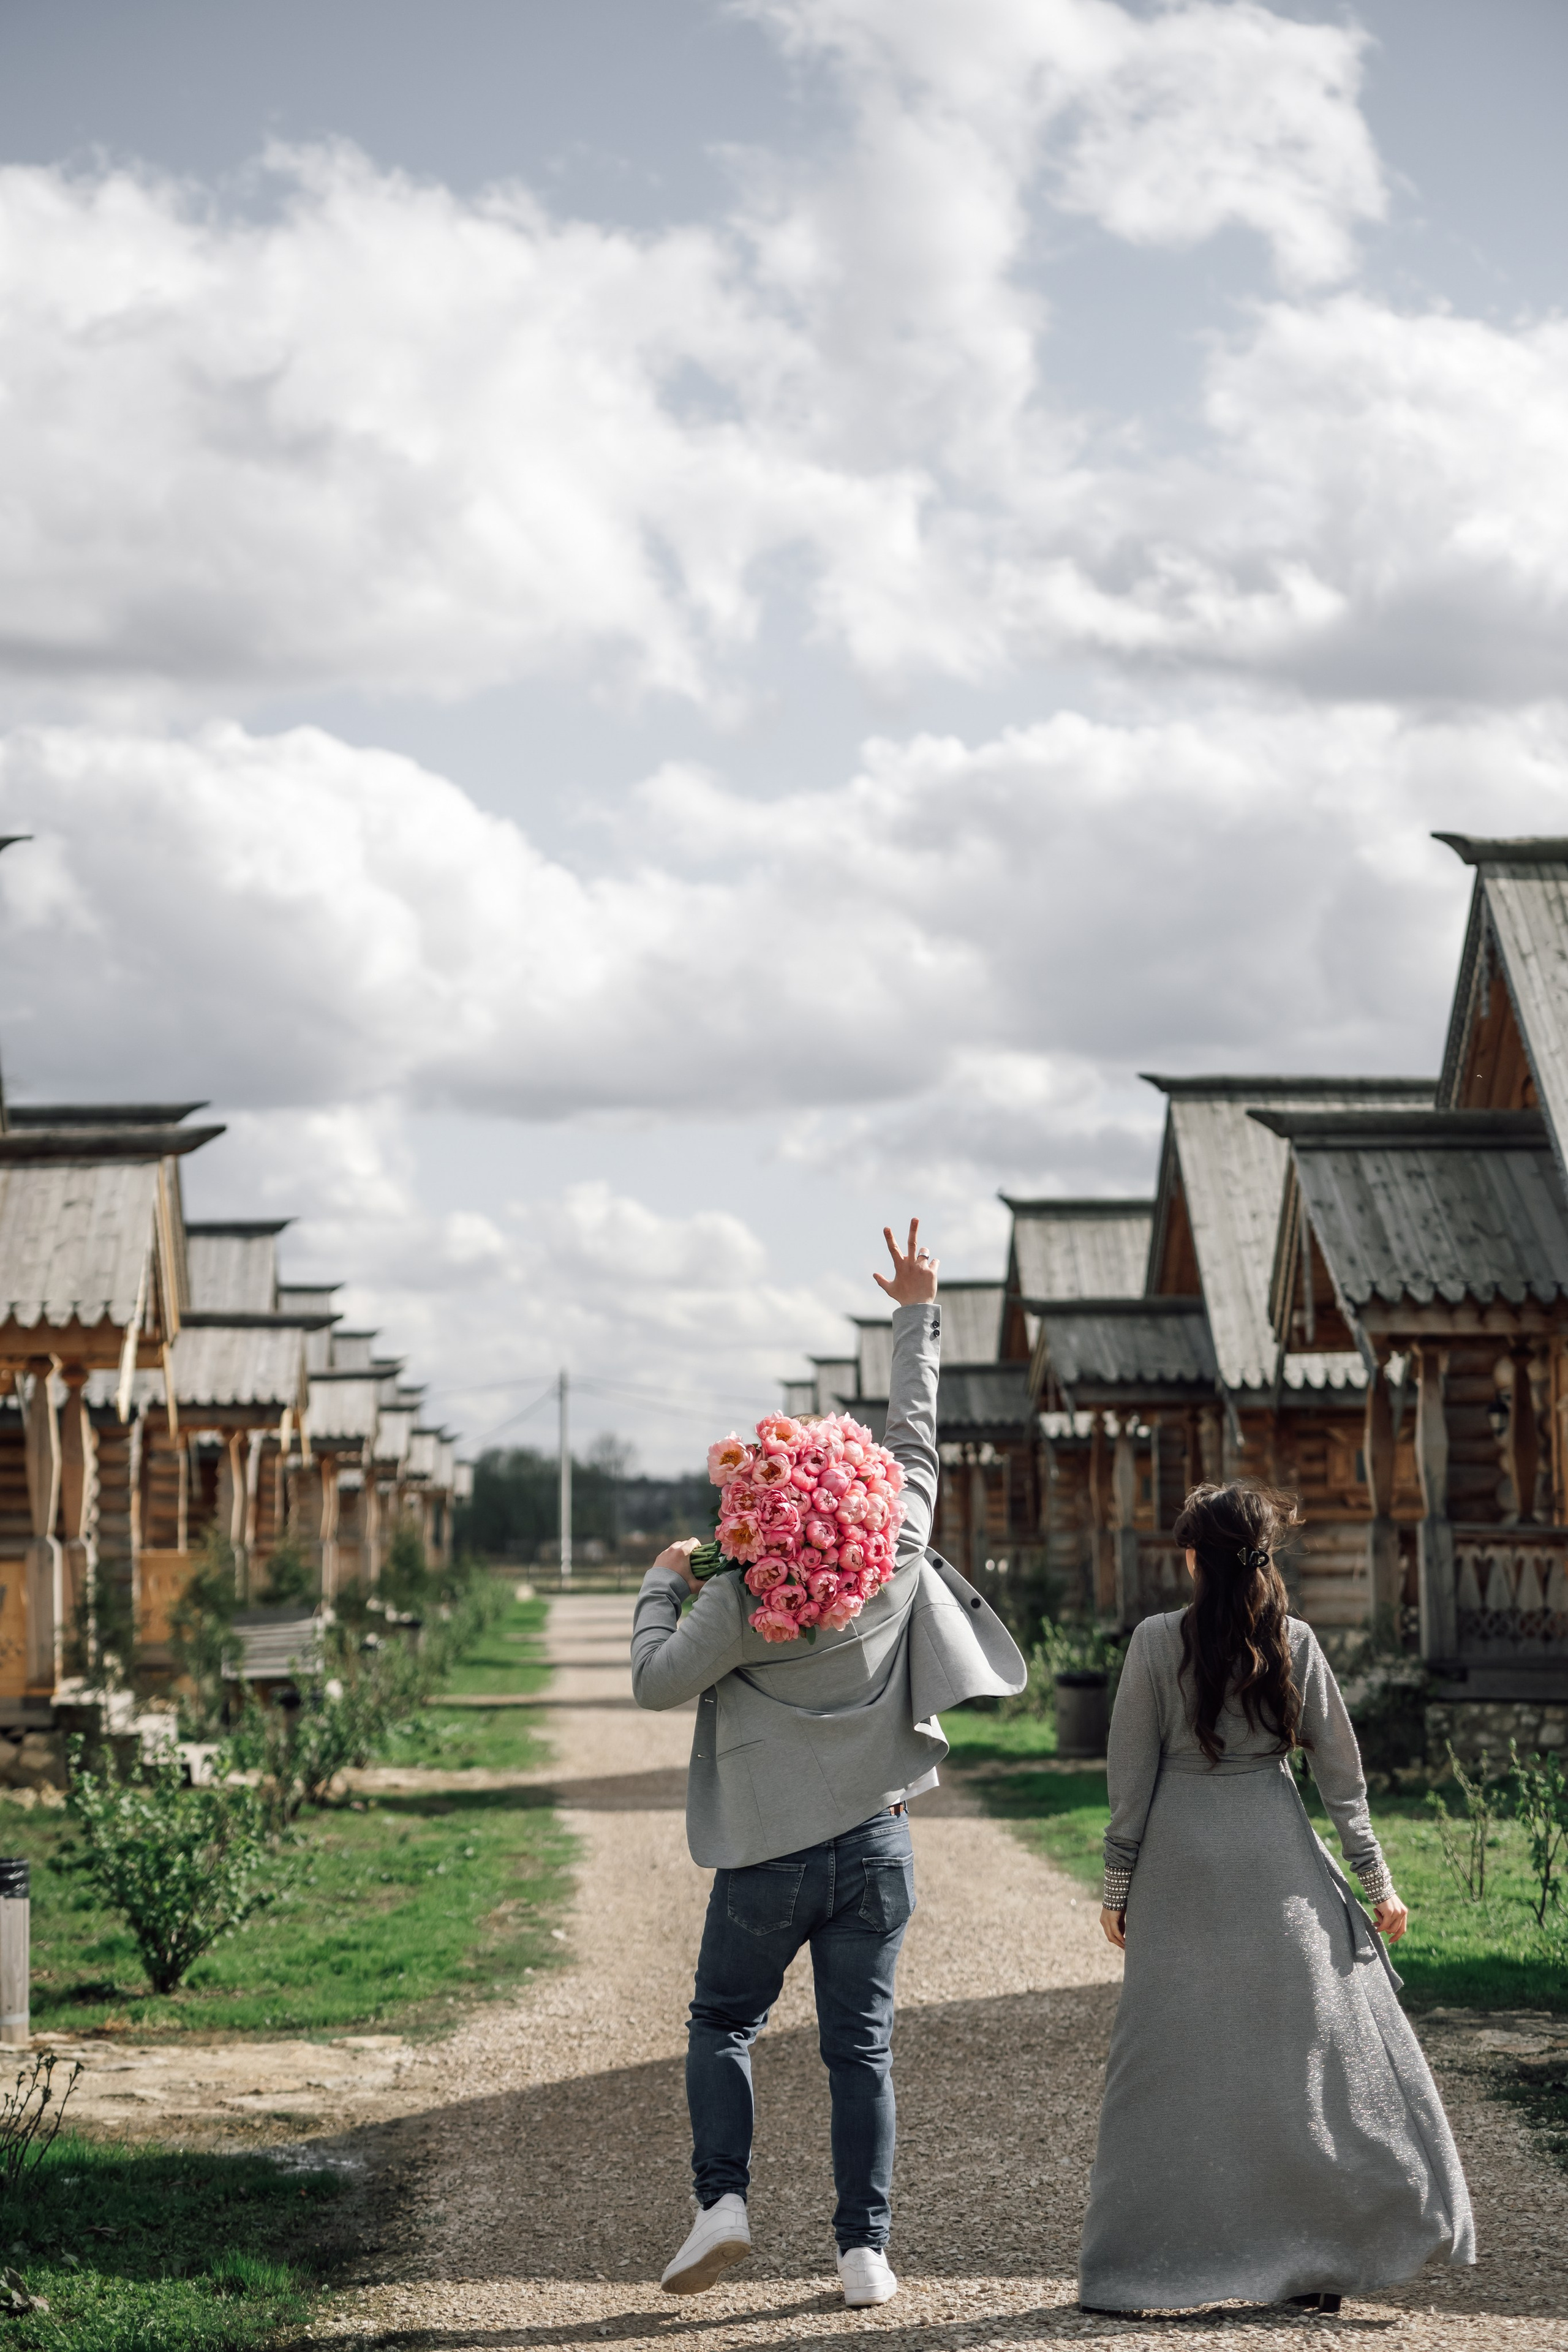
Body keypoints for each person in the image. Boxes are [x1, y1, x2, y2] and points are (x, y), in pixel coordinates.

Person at [631, 1219, 1025, 2309]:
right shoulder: (892, 1554)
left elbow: (657, 1684)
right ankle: (865, 2253)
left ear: (758, 1511)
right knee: (862, 2053)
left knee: (724, 2024)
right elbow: (916, 1440)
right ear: (847, 1496)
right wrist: (916, 1313)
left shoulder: (739, 1596)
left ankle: (724, 2204)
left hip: (767, 1857)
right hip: (880, 1844)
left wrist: (666, 1581)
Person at [1079, 1481, 1475, 2316]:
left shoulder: (1154, 1641)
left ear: (1194, 1559)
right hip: (1277, 1865)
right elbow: (1345, 1783)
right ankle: (1319, 2258)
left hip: (1180, 1871)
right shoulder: (1296, 1641)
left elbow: (1130, 1781)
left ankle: (1132, 2273)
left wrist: (1118, 1886)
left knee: (1162, 2069)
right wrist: (1380, 1885)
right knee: (1304, 2065)